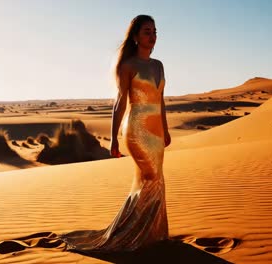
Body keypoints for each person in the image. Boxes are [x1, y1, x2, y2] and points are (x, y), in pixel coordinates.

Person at [60, 14, 170, 252]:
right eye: (146, 32)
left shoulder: (158, 65)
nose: (152, 37)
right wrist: (112, 137)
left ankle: (150, 235)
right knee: (150, 177)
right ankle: (130, 236)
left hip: (157, 132)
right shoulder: (127, 66)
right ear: (135, 37)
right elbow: (120, 102)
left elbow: (160, 100)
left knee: (155, 180)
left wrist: (166, 129)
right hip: (137, 129)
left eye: (154, 32)